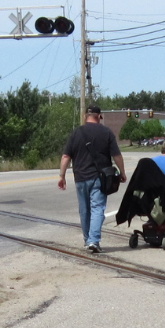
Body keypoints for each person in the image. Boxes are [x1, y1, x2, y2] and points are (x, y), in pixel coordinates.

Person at [58, 106, 126, 253]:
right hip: (99, 177)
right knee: (97, 208)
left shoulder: (76, 133)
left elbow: (65, 156)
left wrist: (61, 176)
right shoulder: (106, 132)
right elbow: (117, 156)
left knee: (84, 210)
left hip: (80, 177)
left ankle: (87, 240)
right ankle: (93, 241)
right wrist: (122, 172)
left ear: (85, 116)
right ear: (100, 116)